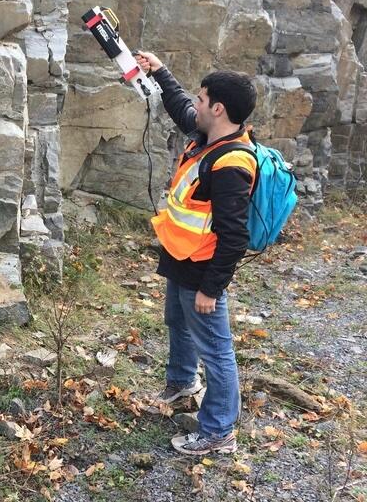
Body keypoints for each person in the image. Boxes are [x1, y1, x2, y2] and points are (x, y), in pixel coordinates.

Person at [134, 51, 258, 456]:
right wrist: (160, 71)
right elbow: (180, 108)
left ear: (218, 108)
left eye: (203, 99)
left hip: (203, 271)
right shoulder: (209, 136)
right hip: (181, 259)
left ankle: (219, 431)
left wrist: (212, 289)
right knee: (177, 321)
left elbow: (234, 236)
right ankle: (183, 382)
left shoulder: (232, 163)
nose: (196, 104)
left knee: (217, 350)